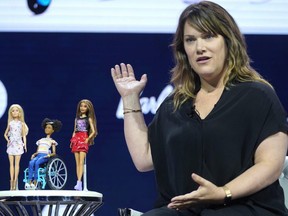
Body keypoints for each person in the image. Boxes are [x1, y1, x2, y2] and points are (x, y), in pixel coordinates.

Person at [111, 1, 288, 215]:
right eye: (191, 40)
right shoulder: (175, 104)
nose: (199, 47)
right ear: (183, 50)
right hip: (187, 210)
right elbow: (144, 158)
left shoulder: (258, 96)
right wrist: (130, 99)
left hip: (245, 208)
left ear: (228, 41)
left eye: (209, 36)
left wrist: (224, 192)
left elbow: (270, 165)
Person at [25, 118, 62, 190]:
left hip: (45, 156)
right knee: (31, 162)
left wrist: (49, 155)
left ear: (53, 130)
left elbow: (54, 153)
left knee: (37, 163)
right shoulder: (40, 140)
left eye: (49, 128)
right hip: (39, 155)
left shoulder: (52, 141)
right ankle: (29, 181)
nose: (47, 129)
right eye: (46, 127)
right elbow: (38, 150)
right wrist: (34, 154)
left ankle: (35, 181)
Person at [70, 99, 98, 191]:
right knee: (77, 163)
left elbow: (93, 131)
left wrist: (87, 139)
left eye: (85, 106)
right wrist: (72, 140)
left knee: (81, 162)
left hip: (83, 138)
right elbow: (74, 130)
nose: (82, 108)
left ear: (88, 108)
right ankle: (78, 183)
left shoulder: (88, 119)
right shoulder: (76, 119)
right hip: (76, 139)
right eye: (81, 106)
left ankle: (79, 182)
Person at [4, 104, 29, 190]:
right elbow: (5, 134)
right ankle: (11, 184)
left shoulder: (21, 124)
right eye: (13, 111)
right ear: (11, 113)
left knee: (17, 164)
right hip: (11, 145)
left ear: (20, 113)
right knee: (11, 165)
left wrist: (25, 145)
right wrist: (8, 140)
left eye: (16, 110)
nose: (15, 112)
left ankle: (15, 182)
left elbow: (23, 136)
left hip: (18, 144)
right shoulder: (10, 123)